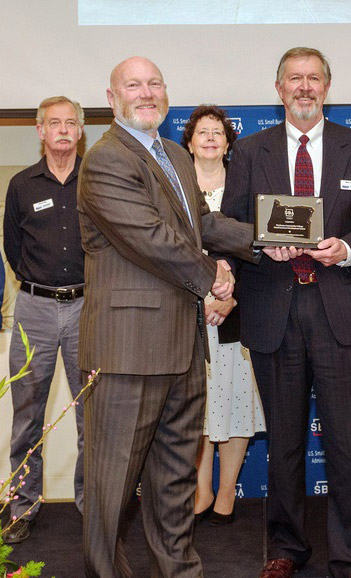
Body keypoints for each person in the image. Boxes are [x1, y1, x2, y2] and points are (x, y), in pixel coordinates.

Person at [77, 56, 256, 578]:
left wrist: (271, 242)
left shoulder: (174, 156)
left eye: (155, 83)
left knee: (174, 483)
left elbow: (203, 223)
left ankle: (178, 572)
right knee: (111, 488)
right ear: (112, 98)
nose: (146, 92)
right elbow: (151, 241)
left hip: (183, 347)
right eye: (133, 85)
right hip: (127, 350)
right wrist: (213, 276)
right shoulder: (107, 159)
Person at [221, 47, 351, 578]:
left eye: (314, 78)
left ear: (327, 87)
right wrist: (260, 246)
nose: (305, 87)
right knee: (284, 441)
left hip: (340, 305)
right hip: (274, 309)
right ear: (279, 88)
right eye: (295, 79)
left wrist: (347, 248)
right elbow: (231, 224)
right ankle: (285, 549)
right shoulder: (249, 151)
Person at [2, 96, 86, 545]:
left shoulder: (95, 181)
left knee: (92, 416)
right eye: (54, 123)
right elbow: (12, 249)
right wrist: (38, 287)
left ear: (80, 131)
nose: (63, 130)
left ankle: (91, 505)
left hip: (87, 308)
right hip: (33, 308)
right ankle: (22, 505)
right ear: (40, 130)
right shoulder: (21, 185)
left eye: (71, 123)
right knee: (26, 416)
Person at [181, 105, 265, 526]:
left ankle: (227, 490)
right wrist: (202, 290)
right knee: (195, 405)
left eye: (218, 132)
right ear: (190, 141)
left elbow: (261, 248)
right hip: (183, 311)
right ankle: (201, 488)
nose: (211, 138)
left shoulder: (246, 186)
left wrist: (232, 297)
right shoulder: (173, 185)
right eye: (202, 132)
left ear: (229, 142)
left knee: (233, 402)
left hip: (238, 311)